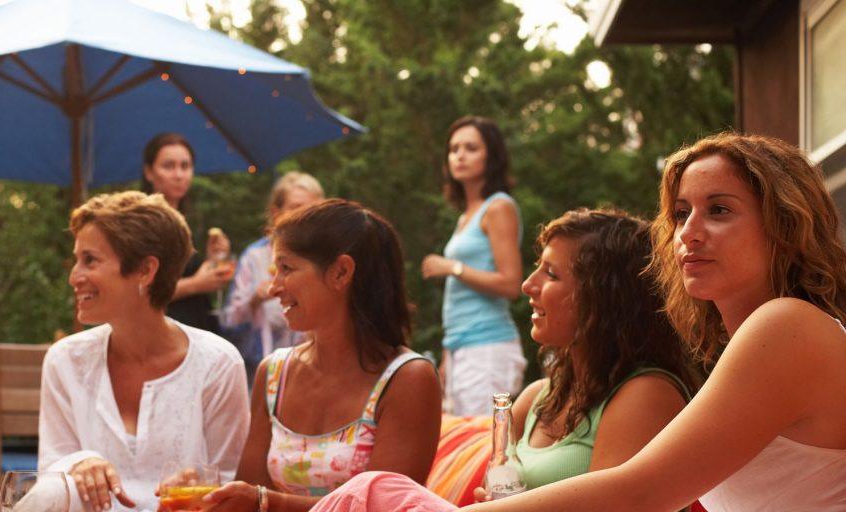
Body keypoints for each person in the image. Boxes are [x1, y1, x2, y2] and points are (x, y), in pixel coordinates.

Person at [319, 133, 846, 511]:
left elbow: (639, 494)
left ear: (784, 224)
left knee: (373, 493)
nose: (689, 232)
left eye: (720, 210)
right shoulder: (758, 340)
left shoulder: (787, 327)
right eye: (681, 212)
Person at [309, 208, 694, 511]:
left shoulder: (646, 393)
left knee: (375, 489)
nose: (529, 285)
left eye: (551, 274)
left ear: (604, 298)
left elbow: (613, 507)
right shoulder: (538, 398)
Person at [198, 199, 442, 512]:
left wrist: (269, 503)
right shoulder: (274, 373)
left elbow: (381, 507)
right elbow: (248, 503)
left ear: (341, 272)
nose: (274, 288)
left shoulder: (406, 379)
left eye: (286, 268)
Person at [38, 191, 250, 511]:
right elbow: (50, 476)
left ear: (145, 271)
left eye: (90, 260)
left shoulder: (218, 363)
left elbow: (236, 487)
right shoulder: (65, 359)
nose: (74, 277)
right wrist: (78, 464)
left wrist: (201, 488)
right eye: (77, 259)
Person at [422, 116, 526, 416]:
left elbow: (511, 283)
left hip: (488, 347)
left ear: (491, 155)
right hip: (461, 349)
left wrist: (453, 267)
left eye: (471, 147)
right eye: (454, 149)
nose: (460, 155)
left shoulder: (499, 207)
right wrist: (447, 353)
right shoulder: (467, 214)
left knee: (482, 448)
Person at [220, 171, 325, 380]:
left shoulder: (325, 259)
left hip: (311, 370)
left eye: (312, 210)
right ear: (276, 212)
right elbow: (230, 320)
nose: (304, 217)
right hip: (258, 370)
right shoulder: (255, 257)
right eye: (296, 208)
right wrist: (255, 300)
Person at [142, 133, 233, 334]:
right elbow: (139, 290)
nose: (179, 175)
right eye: (168, 166)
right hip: (162, 330)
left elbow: (190, 273)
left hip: (198, 324)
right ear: (149, 172)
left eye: (185, 166)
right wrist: (196, 284)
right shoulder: (142, 223)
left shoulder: (189, 220)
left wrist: (214, 259)